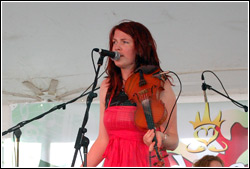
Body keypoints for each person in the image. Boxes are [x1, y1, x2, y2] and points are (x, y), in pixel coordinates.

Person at [84, 20, 179, 167]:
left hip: (147, 161)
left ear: (139, 48)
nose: (117, 47)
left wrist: (161, 137)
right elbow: (103, 140)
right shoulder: (107, 86)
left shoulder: (159, 84)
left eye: (125, 42)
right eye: (114, 42)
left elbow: (173, 139)